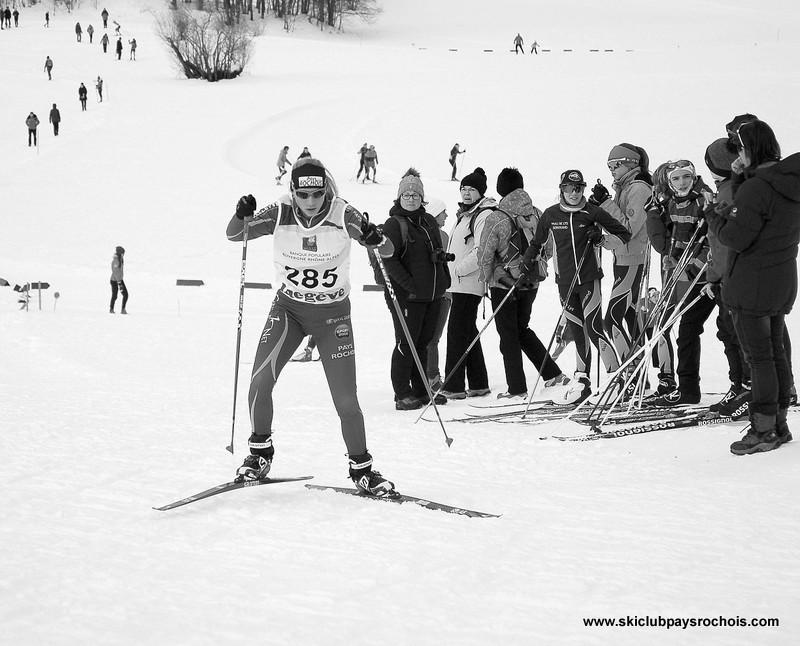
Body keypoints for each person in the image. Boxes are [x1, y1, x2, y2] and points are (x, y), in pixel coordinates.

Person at [225, 157, 397, 496]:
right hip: (289, 311)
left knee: (346, 401)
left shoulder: (343, 213)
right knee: (260, 381)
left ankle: (362, 469)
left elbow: (387, 249)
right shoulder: (280, 211)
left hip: (332, 317)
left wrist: (375, 236)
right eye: (304, 195)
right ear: (293, 191)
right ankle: (259, 455)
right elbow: (234, 234)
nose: (311, 201)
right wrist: (241, 213)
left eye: (317, 194)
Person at [707, 120, 800, 454]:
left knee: (759, 358)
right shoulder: (787, 180)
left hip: (752, 282)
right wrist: (738, 177)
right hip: (781, 277)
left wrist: (714, 217)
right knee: (774, 352)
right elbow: (760, 209)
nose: (738, 155)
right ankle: (778, 424)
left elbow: (737, 236)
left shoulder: (757, 188)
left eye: (740, 149)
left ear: (750, 149)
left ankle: (763, 430)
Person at [520, 170, 632, 404]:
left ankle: (616, 378)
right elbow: (537, 242)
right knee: (577, 329)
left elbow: (624, 233)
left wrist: (601, 239)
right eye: (570, 189)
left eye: (579, 188)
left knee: (593, 328)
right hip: (565, 283)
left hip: (589, 279)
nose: (574, 193)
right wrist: (528, 259)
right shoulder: (550, 215)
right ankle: (582, 381)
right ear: (561, 189)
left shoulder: (592, 212)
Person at [477, 167, 570, 401]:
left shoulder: (496, 217)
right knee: (521, 329)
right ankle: (552, 374)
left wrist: (488, 277)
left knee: (508, 335)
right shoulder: (538, 213)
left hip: (504, 284)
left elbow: (485, 253)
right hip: (531, 281)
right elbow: (548, 248)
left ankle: (516, 389)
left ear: (500, 189)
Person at [594, 144, 664, 391]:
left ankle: (631, 376)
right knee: (629, 318)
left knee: (611, 319)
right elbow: (619, 232)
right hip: (624, 259)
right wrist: (602, 238)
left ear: (632, 164)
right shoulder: (626, 188)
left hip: (632, 260)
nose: (612, 170)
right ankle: (640, 378)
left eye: (617, 165)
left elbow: (627, 229)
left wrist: (604, 204)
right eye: (609, 166)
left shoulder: (638, 189)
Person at [380, 169, 451, 410]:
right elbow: (389, 261)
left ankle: (421, 389)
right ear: (399, 197)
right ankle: (402, 392)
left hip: (431, 295)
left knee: (423, 342)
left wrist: (443, 280)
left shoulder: (428, 221)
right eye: (406, 195)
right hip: (407, 297)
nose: (411, 198)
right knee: (406, 343)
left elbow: (438, 255)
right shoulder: (394, 224)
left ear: (422, 198)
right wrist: (410, 286)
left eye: (415, 195)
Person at [649, 160, 716, 407]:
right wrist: (671, 258)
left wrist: (691, 267)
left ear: (694, 176)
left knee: (728, 332)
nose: (682, 182)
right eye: (676, 179)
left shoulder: (704, 199)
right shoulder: (674, 203)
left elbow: (712, 241)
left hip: (709, 275)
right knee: (688, 330)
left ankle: (744, 386)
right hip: (690, 273)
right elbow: (678, 236)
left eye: (686, 177)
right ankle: (688, 389)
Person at [701, 137, 752, 417]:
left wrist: (713, 276)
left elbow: (722, 241)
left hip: (730, 274)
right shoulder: (735, 187)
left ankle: (745, 386)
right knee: (730, 331)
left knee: (732, 332)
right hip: (736, 272)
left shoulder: (727, 192)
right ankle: (740, 385)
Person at [441, 168, 494, 400]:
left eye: (471, 189)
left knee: (456, 333)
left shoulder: (482, 214)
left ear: (480, 192)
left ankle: (453, 387)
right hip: (459, 283)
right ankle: (478, 383)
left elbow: (481, 249)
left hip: (467, 282)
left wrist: (459, 270)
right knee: (468, 332)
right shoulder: (465, 214)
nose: (466, 193)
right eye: (463, 189)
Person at [423, 197, 452, 391]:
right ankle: (432, 378)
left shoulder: (429, 233)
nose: (446, 216)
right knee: (433, 338)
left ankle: (427, 375)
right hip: (442, 292)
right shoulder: (440, 235)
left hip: (432, 291)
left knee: (427, 337)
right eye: (443, 212)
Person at [110, 246, 128, 314]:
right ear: (120, 253)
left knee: (125, 295)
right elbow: (116, 272)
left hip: (119, 280)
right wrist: (119, 283)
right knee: (115, 295)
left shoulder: (120, 260)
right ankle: (111, 309)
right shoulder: (116, 261)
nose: (124, 255)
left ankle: (122, 309)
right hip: (114, 281)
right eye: (123, 253)